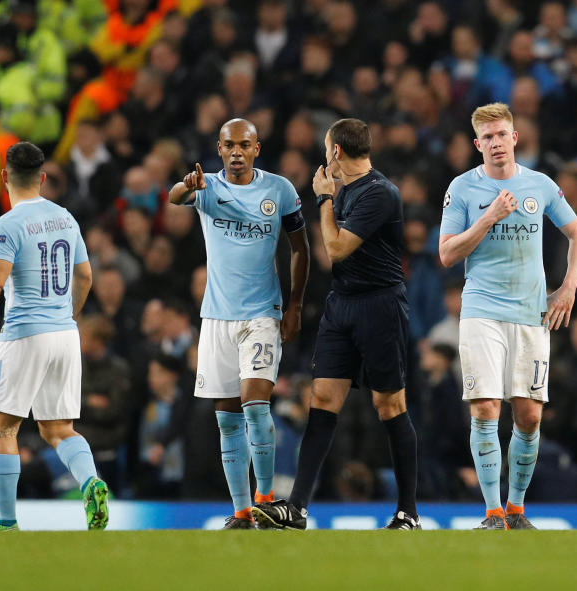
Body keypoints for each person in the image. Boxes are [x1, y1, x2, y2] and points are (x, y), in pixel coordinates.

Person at [254, 118, 422, 531]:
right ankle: (297, 509)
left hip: (380, 308)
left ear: (335, 152)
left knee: (390, 406)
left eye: (326, 147)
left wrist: (325, 200)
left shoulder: (380, 193)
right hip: (341, 305)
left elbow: (336, 249)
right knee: (322, 399)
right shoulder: (350, 189)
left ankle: (408, 512)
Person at [437, 103, 577, 529]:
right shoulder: (463, 189)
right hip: (482, 310)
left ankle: (517, 509)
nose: (496, 143)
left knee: (529, 414)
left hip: (530, 314)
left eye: (502, 134)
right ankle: (491, 511)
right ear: (477, 144)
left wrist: (568, 287)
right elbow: (447, 254)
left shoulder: (539, 185)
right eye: (488, 138)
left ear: (515, 137)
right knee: (485, 408)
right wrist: (489, 217)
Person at [0, 141, 109, 531]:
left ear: (4, 177)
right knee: (59, 429)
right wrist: (67, 316)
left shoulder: (7, 225)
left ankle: (5, 522)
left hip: (24, 334)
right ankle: (91, 481)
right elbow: (85, 276)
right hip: (65, 335)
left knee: (2, 427)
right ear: (43, 178)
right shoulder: (66, 218)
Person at [167, 118, 310, 529]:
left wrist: (296, 304)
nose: (236, 152)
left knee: (255, 404)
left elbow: (300, 249)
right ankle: (243, 511)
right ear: (219, 148)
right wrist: (186, 186)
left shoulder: (279, 190)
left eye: (244, 145)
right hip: (215, 318)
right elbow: (175, 197)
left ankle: (265, 499)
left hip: (262, 314)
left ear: (256, 149)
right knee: (227, 417)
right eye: (229, 145)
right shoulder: (206, 186)